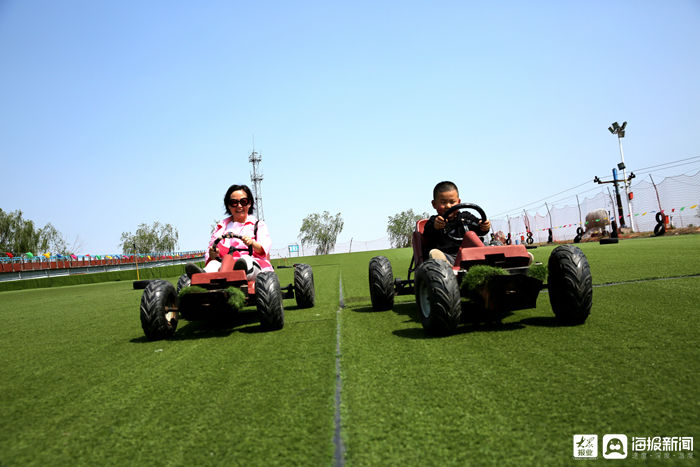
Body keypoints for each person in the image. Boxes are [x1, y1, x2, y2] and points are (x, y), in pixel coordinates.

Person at [186, 184, 273, 280]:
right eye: (234, 203)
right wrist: (213, 254)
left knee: (246, 260)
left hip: (253, 265)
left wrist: (252, 243)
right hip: (225, 266)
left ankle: (239, 271)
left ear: (249, 203)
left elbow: (264, 248)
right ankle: (202, 275)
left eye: (243, 202)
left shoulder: (258, 225)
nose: (239, 206)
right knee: (213, 264)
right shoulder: (222, 227)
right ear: (228, 206)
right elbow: (211, 249)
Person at [422, 181, 491, 265]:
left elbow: (480, 228)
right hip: (448, 257)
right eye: (443, 202)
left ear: (458, 202)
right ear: (434, 204)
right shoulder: (434, 221)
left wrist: (484, 226)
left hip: (470, 256)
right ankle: (447, 269)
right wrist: (436, 226)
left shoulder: (466, 217)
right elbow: (429, 232)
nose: (448, 206)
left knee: (492, 244)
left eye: (452, 202)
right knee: (435, 253)